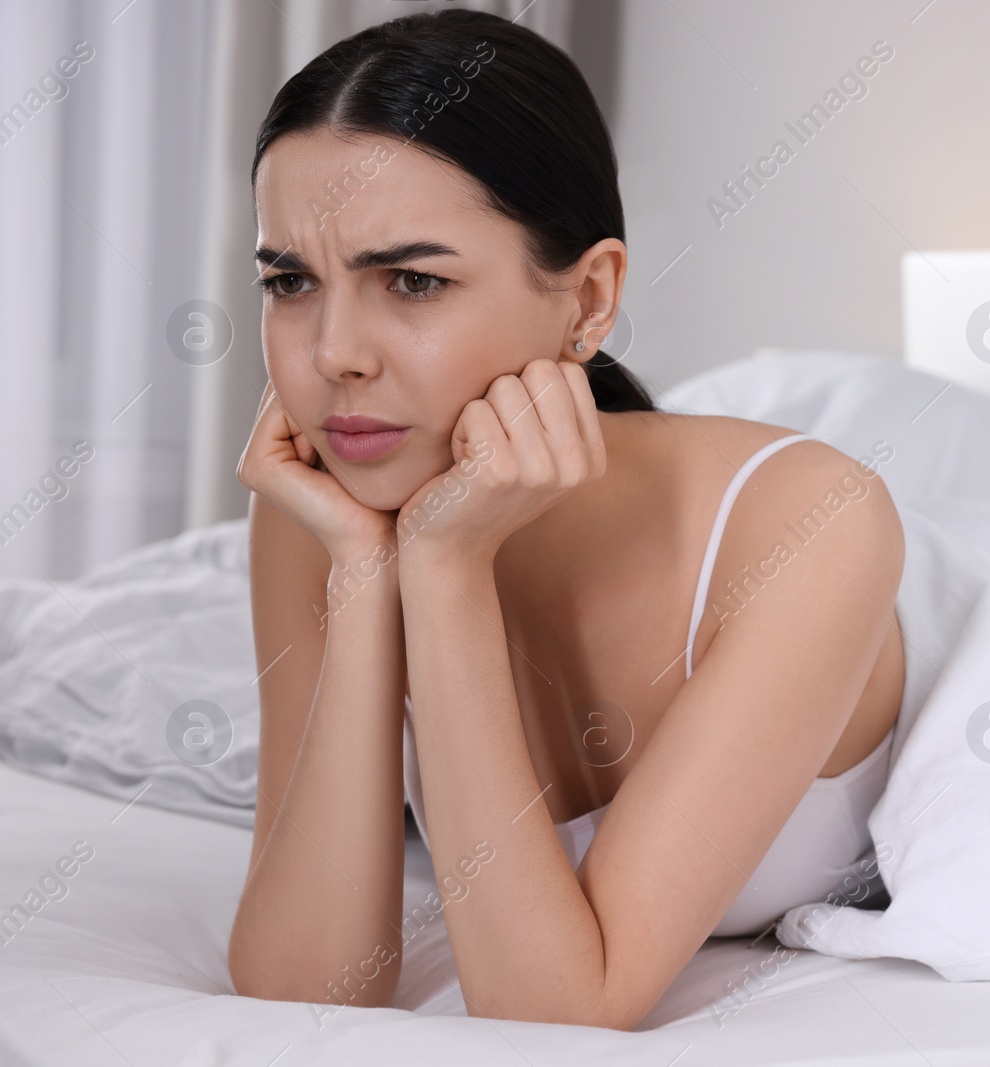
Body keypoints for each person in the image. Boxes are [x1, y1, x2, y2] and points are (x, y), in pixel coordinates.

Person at [227, 10, 906, 1030]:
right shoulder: (317, 513)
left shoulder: (808, 523)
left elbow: (554, 1011)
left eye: (413, 280)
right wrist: (370, 577)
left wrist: (447, 571)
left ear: (587, 297)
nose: (334, 356)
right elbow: (307, 986)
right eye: (290, 281)